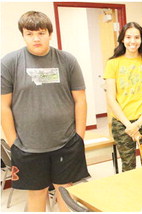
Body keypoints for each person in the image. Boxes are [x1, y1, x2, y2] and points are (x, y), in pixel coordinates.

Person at [1, 11, 89, 211]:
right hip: (27, 146)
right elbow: (3, 106)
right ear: (23, 35)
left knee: (65, 192)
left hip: (66, 143)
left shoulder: (67, 61)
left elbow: (80, 100)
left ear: (50, 34)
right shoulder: (9, 63)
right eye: (29, 34)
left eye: (41, 33)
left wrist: (79, 137)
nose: (36, 38)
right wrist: (13, 142)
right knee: (37, 193)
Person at [104, 22, 142, 172]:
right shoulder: (112, 64)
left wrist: (138, 123)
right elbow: (111, 98)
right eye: (128, 37)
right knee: (128, 166)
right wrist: (128, 125)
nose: (132, 41)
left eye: (136, 37)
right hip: (121, 123)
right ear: (122, 39)